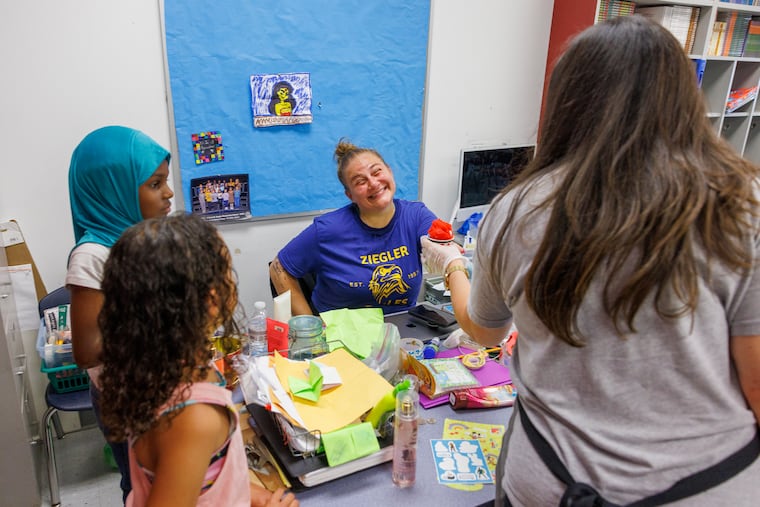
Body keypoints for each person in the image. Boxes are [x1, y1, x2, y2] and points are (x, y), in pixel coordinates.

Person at [422, 16, 760, 506]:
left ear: (567, 102)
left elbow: (487, 331)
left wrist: (453, 265)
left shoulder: (516, 209)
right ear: (683, 99)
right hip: (703, 484)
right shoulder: (740, 201)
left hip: (552, 479)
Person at [98, 214, 299, 507]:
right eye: (228, 271)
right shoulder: (194, 418)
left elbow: (207, 479)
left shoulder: (154, 370)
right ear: (212, 300)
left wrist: (254, 497)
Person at [66, 125, 174, 502]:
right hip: (123, 396)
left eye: (166, 181)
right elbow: (87, 351)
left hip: (160, 384)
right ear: (115, 188)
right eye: (156, 183)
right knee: (141, 483)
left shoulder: (144, 239)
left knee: (172, 474)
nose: (169, 193)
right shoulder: (93, 255)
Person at [270, 138, 437, 315]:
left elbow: (445, 248)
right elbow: (278, 269)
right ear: (350, 195)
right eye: (360, 181)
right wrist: (309, 328)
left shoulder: (416, 215)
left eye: (377, 172)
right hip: (342, 336)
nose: (373, 183)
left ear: (390, 171)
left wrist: (454, 262)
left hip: (403, 332)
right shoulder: (327, 230)